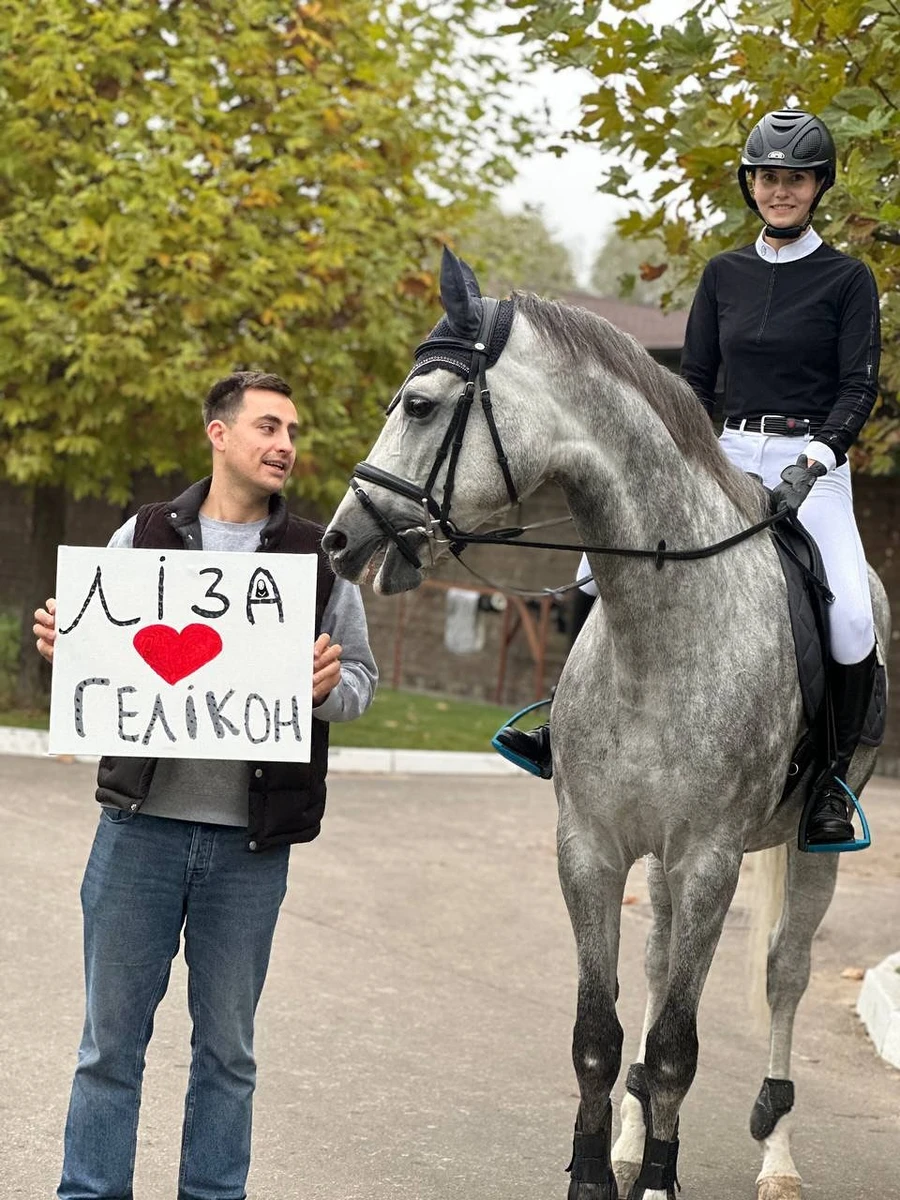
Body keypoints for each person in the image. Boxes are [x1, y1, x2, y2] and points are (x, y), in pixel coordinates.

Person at [33, 370, 378, 1200]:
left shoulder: (319, 559)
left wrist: (329, 687)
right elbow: (98, 652)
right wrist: (68, 649)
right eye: (267, 427)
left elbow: (361, 682)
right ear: (218, 434)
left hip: (249, 852)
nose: (285, 445)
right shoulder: (144, 534)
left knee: (228, 1055)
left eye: (291, 432)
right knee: (109, 1048)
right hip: (137, 834)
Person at [496, 110, 881, 851]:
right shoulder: (723, 275)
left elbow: (856, 388)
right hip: (724, 451)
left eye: (795, 179)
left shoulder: (847, 279)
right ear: (751, 184)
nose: (780, 190)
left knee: (854, 620)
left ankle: (829, 783)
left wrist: (816, 460)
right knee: (592, 571)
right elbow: (695, 383)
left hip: (813, 461)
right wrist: (678, 457)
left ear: (818, 187)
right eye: (767, 177)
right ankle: (559, 723)